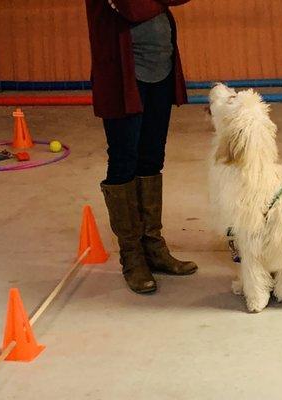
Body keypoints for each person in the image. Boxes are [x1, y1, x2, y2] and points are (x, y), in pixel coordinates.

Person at [85, 0, 197, 294]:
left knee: (152, 159)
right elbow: (131, 7)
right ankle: (132, 256)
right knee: (124, 160)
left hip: (161, 68)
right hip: (122, 75)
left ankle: (153, 246)